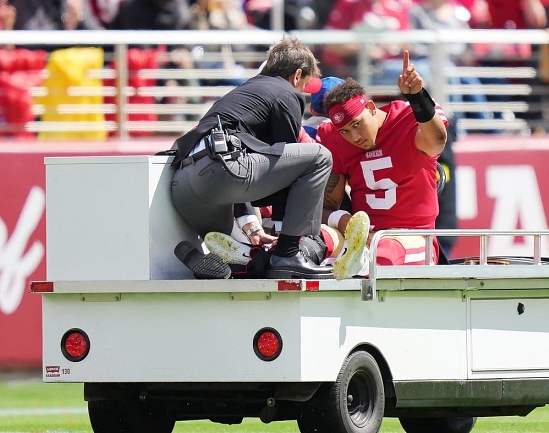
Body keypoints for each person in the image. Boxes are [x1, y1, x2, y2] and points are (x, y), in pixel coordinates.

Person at [169, 36, 333, 280]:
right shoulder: (286, 93)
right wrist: (284, 242)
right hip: (222, 172)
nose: (302, 92)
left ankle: (231, 265)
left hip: (185, 186)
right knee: (320, 157)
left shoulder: (240, 93)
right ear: (297, 75)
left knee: (249, 253)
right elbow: (286, 174)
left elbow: (233, 151)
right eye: (304, 85)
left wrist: (252, 226)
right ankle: (287, 255)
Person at [316, 51, 449, 279]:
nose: (354, 136)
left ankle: (359, 264)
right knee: (311, 241)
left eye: (357, 124)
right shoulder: (334, 139)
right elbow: (323, 207)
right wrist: (344, 220)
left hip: (412, 238)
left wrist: (417, 97)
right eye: (345, 131)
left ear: (369, 108)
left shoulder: (406, 117)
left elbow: (437, 141)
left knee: (384, 255)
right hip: (361, 239)